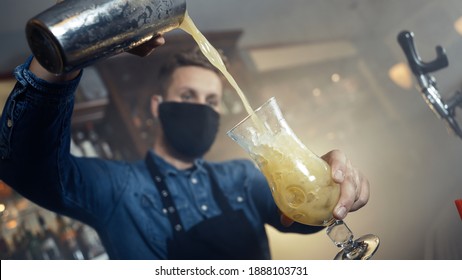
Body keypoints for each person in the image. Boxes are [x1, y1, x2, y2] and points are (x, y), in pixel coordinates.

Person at [0, 35, 370, 260]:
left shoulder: (241, 177)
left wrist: (327, 190)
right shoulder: (118, 188)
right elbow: (25, 165)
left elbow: (298, 219)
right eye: (188, 95)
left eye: (210, 101)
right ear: (158, 106)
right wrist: (67, 49)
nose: (200, 107)